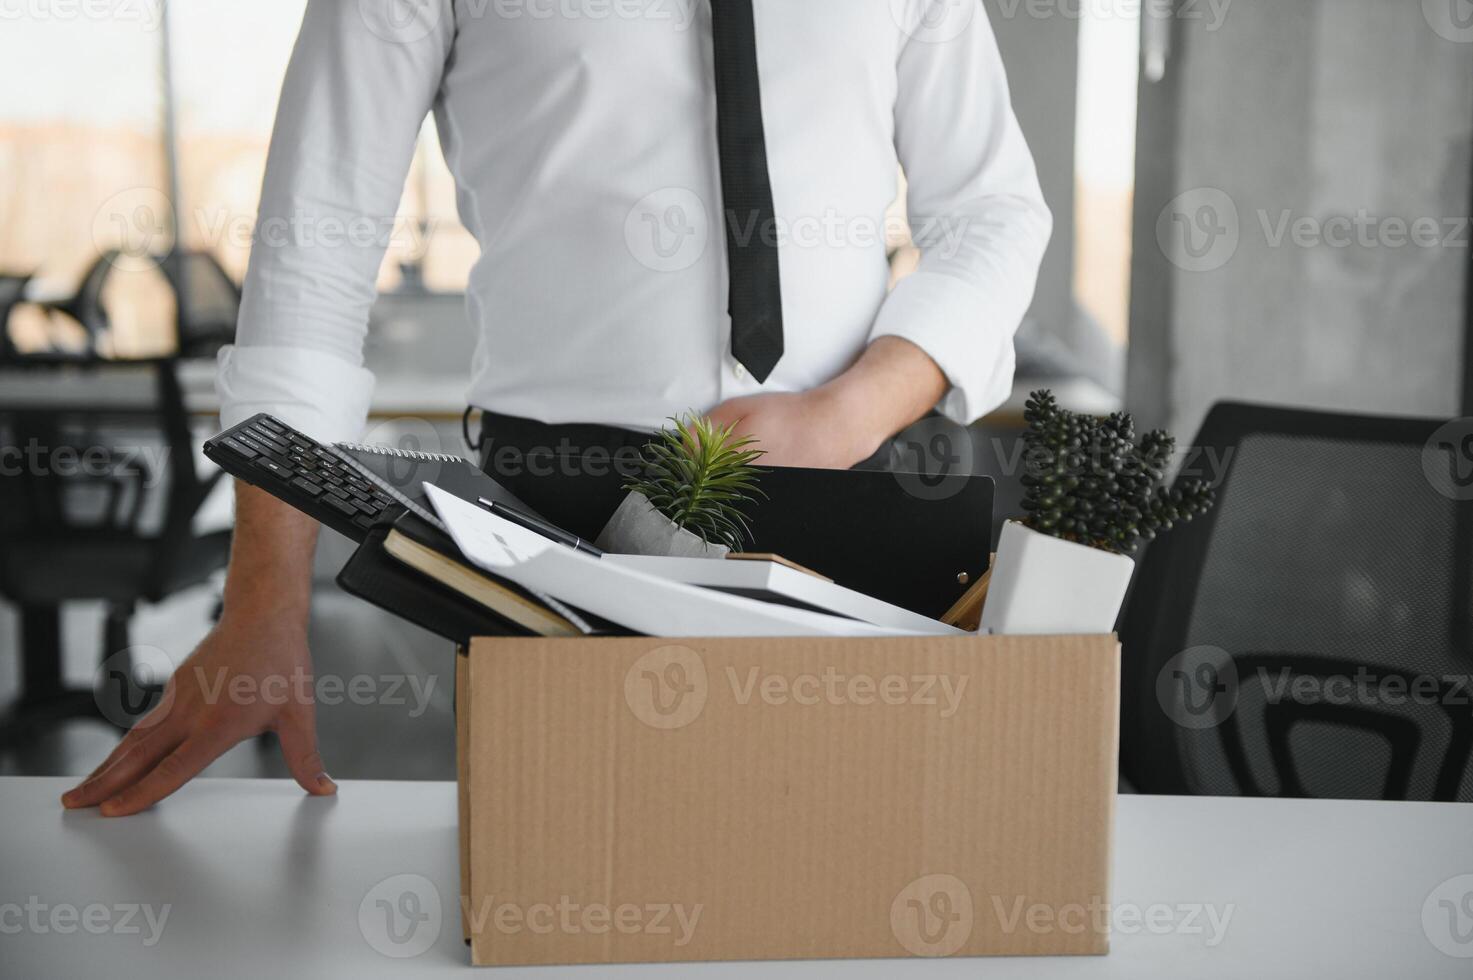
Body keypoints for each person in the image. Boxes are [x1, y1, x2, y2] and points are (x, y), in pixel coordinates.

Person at [63, 0, 1049, 816]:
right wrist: (263, 602)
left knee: (831, 883)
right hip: (559, 522)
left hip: (846, 487)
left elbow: (991, 212)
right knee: (569, 885)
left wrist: (850, 411)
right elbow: (314, 254)